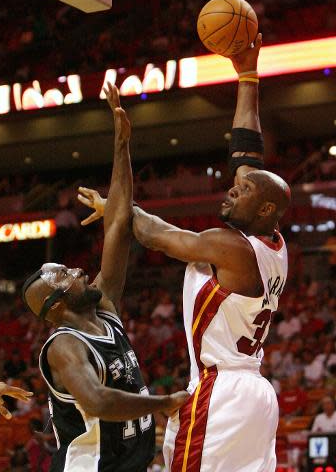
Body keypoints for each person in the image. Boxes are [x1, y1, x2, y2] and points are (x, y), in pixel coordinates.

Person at [79, 34, 291, 472]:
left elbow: (154, 234)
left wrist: (118, 205)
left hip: (222, 393)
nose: (234, 187)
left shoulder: (228, 245)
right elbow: (247, 151)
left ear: (265, 207)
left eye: (244, 190)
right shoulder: (272, 241)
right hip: (255, 394)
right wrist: (247, 75)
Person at [22, 83, 188, 472]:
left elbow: (117, 223)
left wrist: (121, 144)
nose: (78, 271)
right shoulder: (64, 346)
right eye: (65, 275)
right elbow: (97, 400)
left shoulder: (105, 309)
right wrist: (163, 404)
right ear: (56, 304)